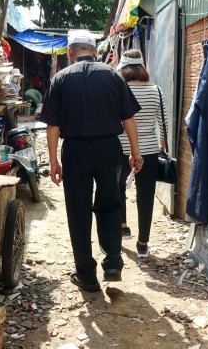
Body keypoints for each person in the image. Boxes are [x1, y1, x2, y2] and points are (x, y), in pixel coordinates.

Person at [40, 30, 144, 292]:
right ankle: (113, 262)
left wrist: (53, 161)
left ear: (70, 52)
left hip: (75, 151)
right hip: (109, 149)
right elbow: (128, 118)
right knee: (110, 203)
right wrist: (135, 152)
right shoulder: (112, 75)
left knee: (78, 210)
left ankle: (87, 275)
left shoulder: (60, 78)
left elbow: (52, 126)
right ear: (95, 52)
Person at [116, 50, 167, 259]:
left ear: (123, 68)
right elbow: (163, 121)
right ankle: (143, 243)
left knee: (118, 187)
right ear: (142, 67)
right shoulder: (156, 90)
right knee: (146, 195)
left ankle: (123, 227)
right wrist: (162, 144)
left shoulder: (119, 89)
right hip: (149, 150)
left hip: (121, 148)